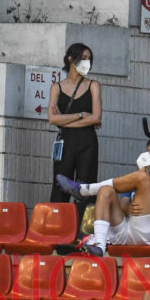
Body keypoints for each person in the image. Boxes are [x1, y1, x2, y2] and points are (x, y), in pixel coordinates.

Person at [55, 134, 150, 256]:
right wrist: (127, 208)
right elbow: (124, 202)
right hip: (126, 230)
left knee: (140, 178)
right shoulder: (138, 178)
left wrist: (143, 180)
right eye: (148, 150)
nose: (147, 154)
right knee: (106, 190)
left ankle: (85, 190)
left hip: (149, 235)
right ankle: (100, 245)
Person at [48, 43, 102, 203]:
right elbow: (52, 118)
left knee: (86, 186)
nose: (86, 62)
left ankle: (84, 226)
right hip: (65, 141)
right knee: (60, 184)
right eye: (83, 58)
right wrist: (81, 115)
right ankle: (59, 224)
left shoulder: (93, 85)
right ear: (70, 58)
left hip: (87, 141)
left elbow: (96, 118)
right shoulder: (57, 87)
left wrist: (64, 121)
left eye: (89, 59)